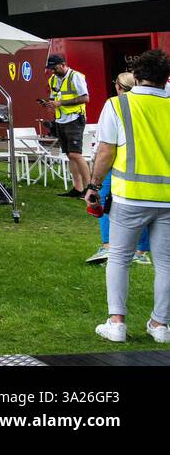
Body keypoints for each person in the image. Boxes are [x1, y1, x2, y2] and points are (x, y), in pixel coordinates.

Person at [85, 49, 170, 343]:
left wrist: (93, 186)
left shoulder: (118, 105)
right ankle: (160, 325)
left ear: (136, 76)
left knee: (119, 259)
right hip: (168, 198)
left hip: (129, 197)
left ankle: (117, 322)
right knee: (166, 263)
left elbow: (106, 152)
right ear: (166, 78)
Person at [87, 72, 153, 265]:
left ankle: (108, 247)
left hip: (116, 164)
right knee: (145, 209)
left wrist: (94, 178)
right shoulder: (146, 106)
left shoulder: (115, 105)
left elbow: (105, 144)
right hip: (143, 166)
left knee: (103, 201)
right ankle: (140, 251)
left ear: (118, 87)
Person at [46, 53, 92, 198]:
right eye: (50, 69)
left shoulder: (75, 76)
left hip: (74, 118)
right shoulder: (53, 79)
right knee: (69, 155)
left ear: (63, 65)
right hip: (61, 119)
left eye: (54, 68)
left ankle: (90, 188)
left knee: (75, 154)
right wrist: (50, 104)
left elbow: (86, 98)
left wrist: (60, 103)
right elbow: (55, 97)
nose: (52, 71)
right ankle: (77, 188)